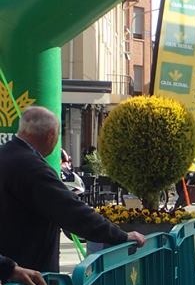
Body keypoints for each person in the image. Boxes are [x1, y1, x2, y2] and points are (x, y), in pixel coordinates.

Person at [0, 106, 146, 273]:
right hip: (27, 277)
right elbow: (71, 211)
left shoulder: (5, 155)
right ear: (51, 136)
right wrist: (121, 236)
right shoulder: (32, 167)